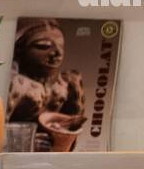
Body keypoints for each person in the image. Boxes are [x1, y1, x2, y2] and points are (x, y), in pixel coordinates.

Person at [6, 18, 87, 152]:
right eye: (43, 46)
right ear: (19, 50)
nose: (58, 53)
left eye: (61, 46)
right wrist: (28, 142)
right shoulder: (17, 84)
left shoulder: (69, 83)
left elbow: (72, 138)